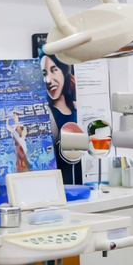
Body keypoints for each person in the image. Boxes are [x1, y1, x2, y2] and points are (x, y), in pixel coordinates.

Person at [42, 52, 82, 184]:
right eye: (44, 74)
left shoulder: (78, 108)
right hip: (60, 181)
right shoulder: (47, 115)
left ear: (63, 71)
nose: (48, 80)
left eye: (54, 70)